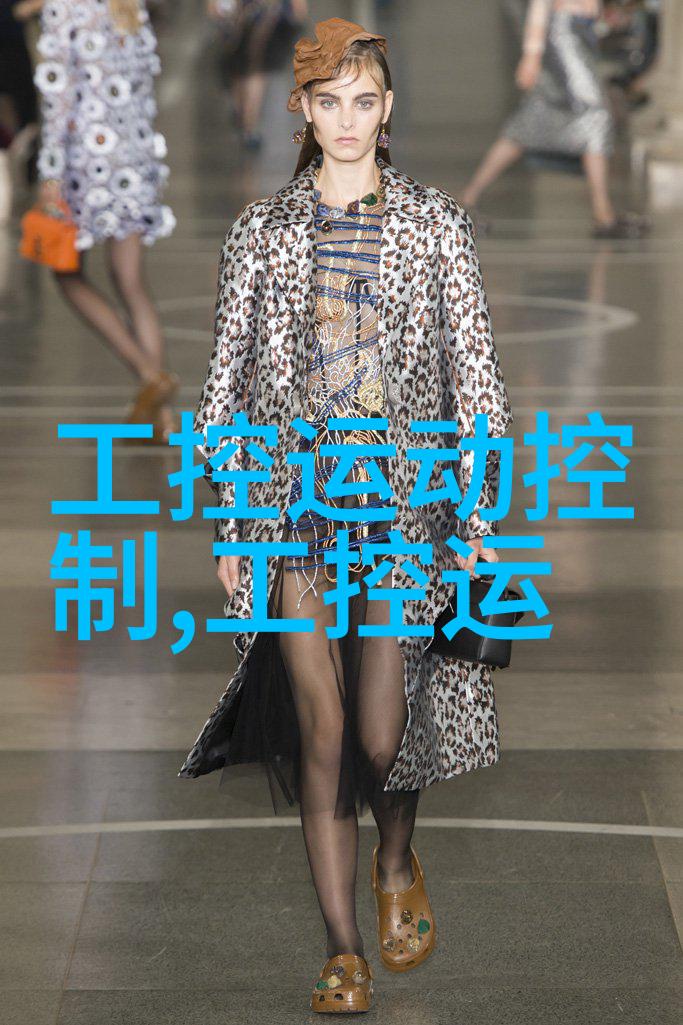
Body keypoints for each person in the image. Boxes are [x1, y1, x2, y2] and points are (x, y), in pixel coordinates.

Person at [179, 16, 514, 1013]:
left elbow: (477, 380)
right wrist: (233, 523)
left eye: (363, 100)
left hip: (405, 507)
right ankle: (341, 949)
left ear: (387, 106)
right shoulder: (261, 232)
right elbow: (222, 391)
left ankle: (395, 858)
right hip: (295, 508)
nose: (347, 119)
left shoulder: (436, 225)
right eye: (328, 102)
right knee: (322, 730)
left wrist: (477, 514)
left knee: (378, 733)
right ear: (303, 109)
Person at [31, 0, 178, 441]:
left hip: (86, 162)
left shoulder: (63, 9)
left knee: (65, 273)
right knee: (131, 282)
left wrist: (50, 174)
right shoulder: (128, 6)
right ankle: (163, 419)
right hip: (135, 158)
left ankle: (149, 376)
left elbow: (58, 99)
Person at [461, 0, 649, 239]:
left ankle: (467, 198)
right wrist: (532, 53)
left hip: (577, 31)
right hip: (564, 34)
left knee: (535, 116)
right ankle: (602, 213)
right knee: (596, 115)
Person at [208, 0, 308, 149]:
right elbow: (298, 11)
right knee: (255, 74)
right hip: (266, 17)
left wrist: (216, 11)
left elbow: (214, 9)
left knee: (239, 69)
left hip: (236, 18)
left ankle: (241, 113)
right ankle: (249, 128)